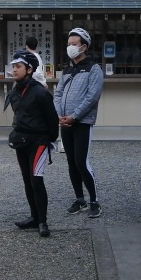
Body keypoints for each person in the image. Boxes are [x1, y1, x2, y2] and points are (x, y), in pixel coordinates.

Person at [6, 51, 59, 238]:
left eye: (18, 66)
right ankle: (34, 217)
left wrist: (49, 139)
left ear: (29, 69)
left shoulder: (40, 92)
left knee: (36, 179)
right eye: (13, 66)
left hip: (38, 141)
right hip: (21, 141)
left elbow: (52, 119)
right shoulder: (15, 90)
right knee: (27, 180)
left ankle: (43, 221)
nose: (14, 69)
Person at [54, 27, 104, 218]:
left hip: (82, 123)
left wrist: (74, 116)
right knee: (71, 162)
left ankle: (94, 201)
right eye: (69, 44)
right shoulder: (67, 70)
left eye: (74, 44)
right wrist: (60, 114)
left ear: (84, 47)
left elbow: (92, 97)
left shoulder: (94, 69)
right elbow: (57, 94)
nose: (70, 47)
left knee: (81, 162)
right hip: (65, 122)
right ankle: (79, 199)